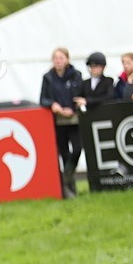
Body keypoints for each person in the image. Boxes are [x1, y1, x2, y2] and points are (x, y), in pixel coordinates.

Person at [39, 47, 83, 199]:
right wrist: (53, 105)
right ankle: (70, 190)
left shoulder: (76, 75)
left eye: (61, 58)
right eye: (56, 58)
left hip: (73, 119)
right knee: (64, 153)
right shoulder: (48, 77)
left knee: (77, 148)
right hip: (58, 121)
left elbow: (80, 95)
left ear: (67, 59)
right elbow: (43, 98)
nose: (58, 61)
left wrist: (72, 108)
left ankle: (67, 177)